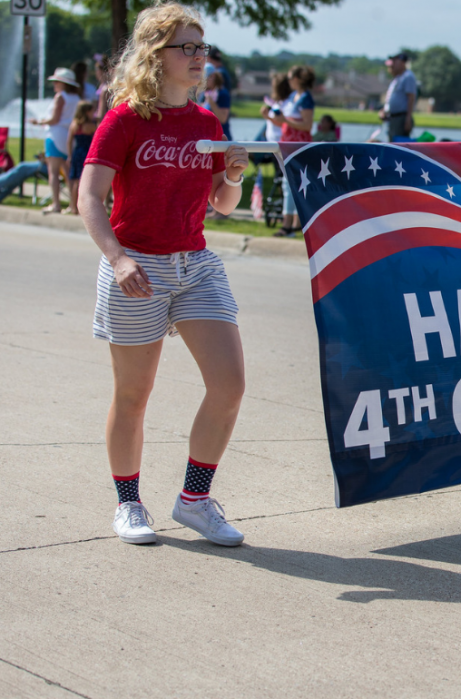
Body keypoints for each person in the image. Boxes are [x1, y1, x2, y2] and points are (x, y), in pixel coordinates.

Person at [77, 2, 249, 547]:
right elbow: (89, 198)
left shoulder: (207, 123)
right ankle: (128, 503)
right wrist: (118, 258)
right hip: (137, 266)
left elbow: (222, 203)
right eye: (188, 48)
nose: (201, 58)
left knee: (229, 385)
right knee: (134, 392)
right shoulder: (125, 119)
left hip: (195, 265)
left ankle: (195, 501)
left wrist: (236, 176)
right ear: (158, 55)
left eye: (204, 48)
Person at [268, 65, 315, 237]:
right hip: (289, 145)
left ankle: (289, 224)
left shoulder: (305, 99)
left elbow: (307, 125)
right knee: (289, 184)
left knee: (291, 185)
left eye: (290, 78)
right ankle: (293, 224)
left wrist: (285, 120)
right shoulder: (296, 97)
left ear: (297, 79)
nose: (288, 82)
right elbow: (287, 122)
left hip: (298, 146)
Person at [29, 67, 81, 214]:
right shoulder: (76, 98)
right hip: (70, 136)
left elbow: (54, 119)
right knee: (68, 172)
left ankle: (56, 203)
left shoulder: (60, 97)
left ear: (64, 84)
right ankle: (73, 205)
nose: (55, 85)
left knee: (53, 172)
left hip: (55, 134)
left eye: (57, 82)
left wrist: (38, 122)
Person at [66, 101, 98, 215]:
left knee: (75, 181)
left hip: (76, 152)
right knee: (83, 182)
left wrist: (70, 155)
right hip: (86, 153)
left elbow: (69, 141)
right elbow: (96, 140)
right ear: (87, 111)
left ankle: (72, 206)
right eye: (92, 111)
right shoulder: (90, 125)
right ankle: (80, 208)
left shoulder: (74, 124)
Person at [378, 52, 417, 142]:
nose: (392, 64)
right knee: (392, 143)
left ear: (403, 63)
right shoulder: (397, 78)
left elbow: (411, 98)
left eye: (395, 61)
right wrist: (384, 111)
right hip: (393, 117)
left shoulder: (408, 76)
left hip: (402, 118)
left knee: (398, 145)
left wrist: (408, 119)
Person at [202, 63, 232, 139]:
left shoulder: (223, 94)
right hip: (208, 136)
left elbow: (223, 119)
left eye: (205, 78)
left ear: (213, 76)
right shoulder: (204, 93)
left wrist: (212, 103)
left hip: (222, 137)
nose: (203, 82)